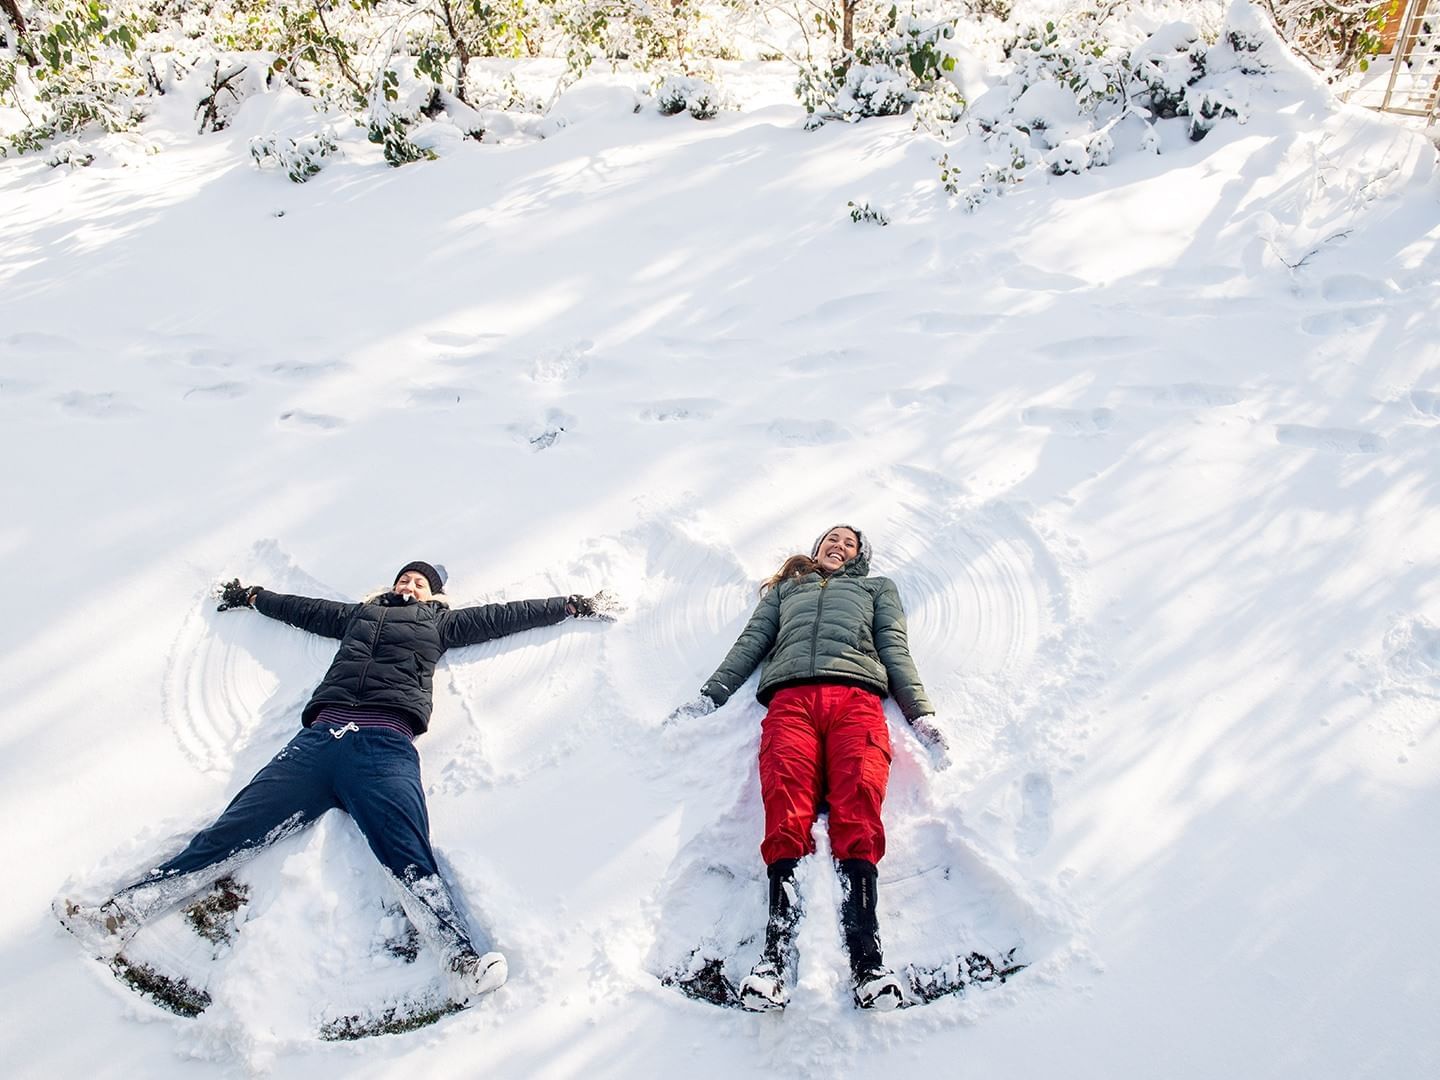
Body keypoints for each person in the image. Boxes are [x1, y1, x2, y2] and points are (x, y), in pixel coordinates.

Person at [56, 560, 619, 1005]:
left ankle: (460, 961)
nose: (410, 584)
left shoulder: (442, 624)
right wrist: (253, 596)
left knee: (407, 851)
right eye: (404, 577)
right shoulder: (358, 615)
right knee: (232, 831)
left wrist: (571, 605)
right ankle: (119, 914)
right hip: (319, 742)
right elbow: (302, 609)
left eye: (420, 581)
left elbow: (507, 615)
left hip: (383, 744)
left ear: (436, 596)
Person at [670, 525, 949, 1012]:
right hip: (791, 700)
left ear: (861, 556)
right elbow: (751, 643)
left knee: (859, 805)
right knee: (785, 805)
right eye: (832, 539)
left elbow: (894, 646)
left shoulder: (876, 589)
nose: (838, 546)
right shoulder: (788, 589)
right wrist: (708, 697)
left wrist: (920, 714)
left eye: (850, 543)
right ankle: (772, 962)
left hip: (857, 700)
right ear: (817, 547)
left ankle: (869, 964)